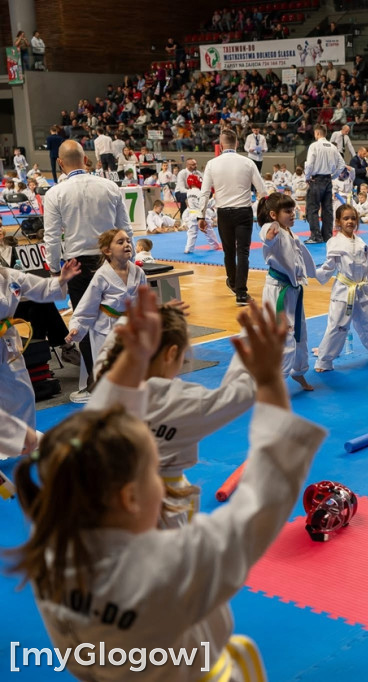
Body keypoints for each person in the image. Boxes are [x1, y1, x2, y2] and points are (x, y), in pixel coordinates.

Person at [9, 288, 327, 682]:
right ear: (129, 496)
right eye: (150, 474)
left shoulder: (53, 545)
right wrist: (269, 382)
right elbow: (264, 499)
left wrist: (134, 358)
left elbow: (100, 428)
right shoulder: (172, 564)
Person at [89, 301, 256, 527]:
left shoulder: (107, 382)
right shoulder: (177, 400)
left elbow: (110, 347)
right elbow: (239, 394)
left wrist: (139, 317)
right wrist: (249, 336)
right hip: (166, 503)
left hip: (104, 499)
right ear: (171, 353)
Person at [43, 140, 132, 401]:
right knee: (115, 319)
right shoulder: (109, 186)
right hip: (112, 260)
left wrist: (54, 270)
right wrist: (130, 261)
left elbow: (51, 237)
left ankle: (99, 384)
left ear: (60, 163)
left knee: (86, 323)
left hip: (77, 264)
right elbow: (124, 227)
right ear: (86, 159)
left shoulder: (55, 193)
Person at [0, 257, 79, 429]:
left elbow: (39, 287)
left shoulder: (8, 276)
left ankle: (24, 433)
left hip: (8, 340)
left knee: (22, 389)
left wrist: (61, 279)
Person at [65, 229, 147, 387]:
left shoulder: (138, 272)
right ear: (107, 251)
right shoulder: (102, 275)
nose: (127, 244)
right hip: (106, 330)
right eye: (120, 242)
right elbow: (88, 305)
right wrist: (77, 327)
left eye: (128, 241)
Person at [313, 204, 368, 371]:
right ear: (338, 221)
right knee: (337, 326)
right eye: (346, 218)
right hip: (344, 289)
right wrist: (312, 272)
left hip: (362, 289)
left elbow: (363, 267)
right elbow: (329, 267)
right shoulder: (334, 242)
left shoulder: (361, 242)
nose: (350, 221)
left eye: (353, 218)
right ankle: (324, 361)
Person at [198, 129, 265, 305]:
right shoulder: (248, 162)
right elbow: (262, 190)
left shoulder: (212, 164)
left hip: (223, 213)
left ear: (220, 145)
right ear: (237, 144)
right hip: (243, 211)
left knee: (229, 251)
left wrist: (201, 216)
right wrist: (266, 215)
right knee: (243, 252)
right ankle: (241, 294)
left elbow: (204, 193)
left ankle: (234, 283)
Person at [259, 192, 316, 391]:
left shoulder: (292, 234)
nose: (292, 215)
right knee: (285, 338)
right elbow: (267, 237)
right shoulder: (272, 229)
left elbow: (303, 261)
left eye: (293, 211)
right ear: (274, 214)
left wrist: (314, 274)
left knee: (300, 334)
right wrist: (268, 238)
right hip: (278, 294)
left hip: (293, 291)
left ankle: (299, 372)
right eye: (287, 211)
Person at [302, 125, 342, 244]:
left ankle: (315, 236)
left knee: (312, 209)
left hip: (316, 180)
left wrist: (307, 177)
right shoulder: (332, 147)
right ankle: (327, 235)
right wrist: (333, 176)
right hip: (328, 180)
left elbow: (309, 164)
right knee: (327, 209)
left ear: (317, 133)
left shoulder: (314, 146)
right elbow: (342, 164)